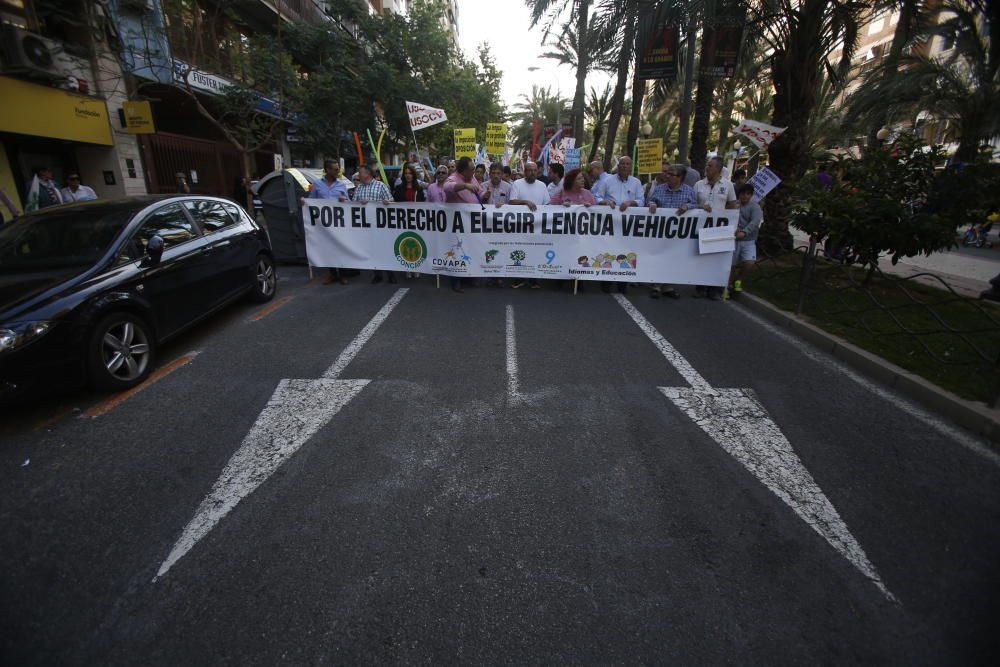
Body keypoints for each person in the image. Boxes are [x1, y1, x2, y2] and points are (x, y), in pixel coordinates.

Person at [647, 163, 699, 300]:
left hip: (678, 234)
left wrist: (687, 206)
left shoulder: (688, 191)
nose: (667, 176)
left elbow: (695, 204)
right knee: (659, 256)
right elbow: (650, 200)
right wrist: (652, 204)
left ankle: (668, 286)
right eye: (667, 173)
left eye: (671, 174)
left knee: (674, 258)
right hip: (660, 230)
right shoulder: (659, 189)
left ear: (680, 177)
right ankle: (656, 285)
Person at [692, 156, 739, 299]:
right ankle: (700, 287)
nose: (707, 168)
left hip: (719, 228)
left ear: (718, 169)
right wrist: (700, 206)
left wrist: (733, 224)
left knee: (716, 258)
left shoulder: (728, 185)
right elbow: (692, 203)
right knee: (701, 258)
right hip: (701, 227)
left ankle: (714, 290)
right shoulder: (699, 184)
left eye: (710, 166)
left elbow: (732, 205)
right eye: (707, 165)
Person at [303, 159, 351, 285]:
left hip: (339, 223)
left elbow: (349, 203)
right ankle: (332, 274)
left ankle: (343, 274)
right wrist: (305, 203)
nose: (337, 171)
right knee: (328, 248)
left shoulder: (341, 185)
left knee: (340, 248)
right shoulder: (317, 184)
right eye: (335, 169)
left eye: (338, 169)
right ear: (327, 170)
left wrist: (344, 199)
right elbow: (312, 201)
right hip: (323, 224)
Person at [508, 161, 550, 289]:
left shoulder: (542, 185)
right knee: (520, 251)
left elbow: (547, 204)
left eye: (534, 170)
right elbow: (512, 201)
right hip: (520, 226)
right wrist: (525, 202)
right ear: (524, 171)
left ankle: (534, 280)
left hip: (537, 227)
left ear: (538, 171)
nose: (532, 173)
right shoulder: (517, 184)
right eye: (529, 170)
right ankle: (519, 278)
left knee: (535, 252)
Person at [443, 157, 482, 293]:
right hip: (457, 224)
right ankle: (456, 281)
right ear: (464, 170)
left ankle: (468, 276)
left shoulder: (472, 178)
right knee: (457, 251)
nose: (474, 172)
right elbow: (447, 188)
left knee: (469, 250)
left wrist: (485, 195)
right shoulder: (453, 178)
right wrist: (465, 186)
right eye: (471, 169)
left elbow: (479, 192)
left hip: (471, 224)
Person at [351, 165, 395, 284]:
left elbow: (392, 200)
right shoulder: (359, 188)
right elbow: (352, 205)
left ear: (367, 174)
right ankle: (377, 274)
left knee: (384, 250)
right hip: (366, 226)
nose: (358, 175)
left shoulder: (381, 185)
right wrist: (359, 203)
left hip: (380, 225)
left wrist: (387, 202)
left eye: (360, 173)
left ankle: (391, 274)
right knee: (372, 250)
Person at [391, 163, 426, 279]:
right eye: (406, 173)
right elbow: (394, 202)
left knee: (416, 243)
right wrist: (389, 202)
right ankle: (407, 267)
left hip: (416, 221)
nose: (408, 175)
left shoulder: (419, 189)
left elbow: (424, 204)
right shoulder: (399, 188)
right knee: (405, 243)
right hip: (403, 222)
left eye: (410, 173)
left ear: (414, 175)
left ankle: (416, 267)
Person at [727, 183, 762, 299]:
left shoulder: (755, 207)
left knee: (749, 263)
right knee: (731, 265)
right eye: (743, 193)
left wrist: (745, 232)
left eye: (748, 194)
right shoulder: (734, 205)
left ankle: (738, 280)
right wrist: (735, 229)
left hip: (748, 240)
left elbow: (755, 221)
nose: (745, 196)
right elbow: (729, 217)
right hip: (733, 239)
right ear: (739, 194)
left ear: (751, 195)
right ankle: (726, 287)